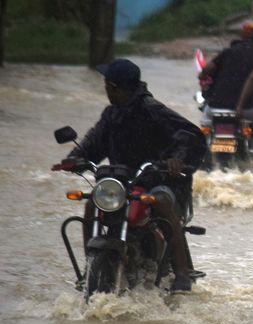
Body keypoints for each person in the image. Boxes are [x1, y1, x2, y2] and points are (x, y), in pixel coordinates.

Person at [52, 58, 207, 292]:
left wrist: (177, 159)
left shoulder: (152, 109)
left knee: (161, 202)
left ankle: (182, 274)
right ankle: (89, 268)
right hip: (121, 183)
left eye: (106, 85)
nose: (105, 89)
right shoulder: (112, 114)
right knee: (92, 203)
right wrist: (75, 158)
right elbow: (95, 141)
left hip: (159, 180)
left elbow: (191, 135)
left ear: (113, 87)